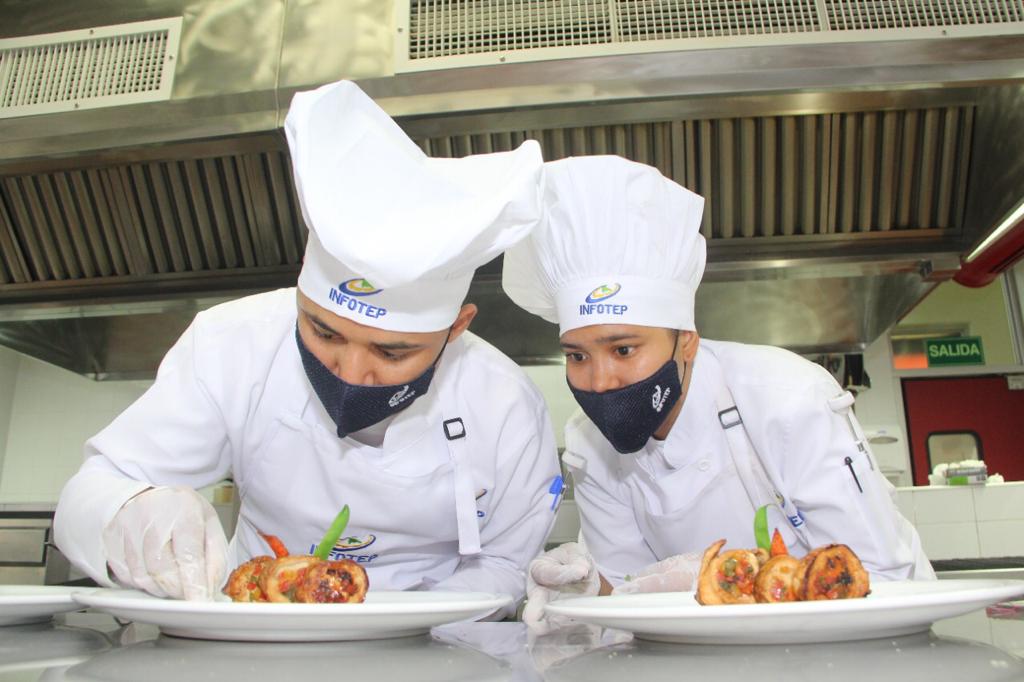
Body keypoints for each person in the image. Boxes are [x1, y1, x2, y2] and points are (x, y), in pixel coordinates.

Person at [54, 80, 561, 616]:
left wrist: (406, 627)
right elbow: (90, 493)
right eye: (324, 332)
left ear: (456, 328)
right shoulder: (232, 344)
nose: (350, 372)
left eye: (391, 353)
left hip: (436, 638)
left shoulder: (505, 402)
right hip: (255, 625)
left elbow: (506, 563)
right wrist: (132, 510)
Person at [501, 155, 934, 632]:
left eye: (624, 349)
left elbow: (874, 575)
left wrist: (723, 582)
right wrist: (591, 591)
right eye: (577, 356)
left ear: (686, 340)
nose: (600, 381)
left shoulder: (786, 398)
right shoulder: (589, 442)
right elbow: (627, 602)